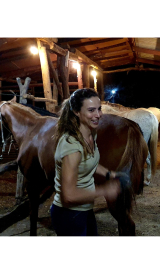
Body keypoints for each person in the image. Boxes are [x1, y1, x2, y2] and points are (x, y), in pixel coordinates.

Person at [51, 88, 121, 236]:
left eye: (99, 109)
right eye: (91, 110)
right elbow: (68, 196)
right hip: (69, 214)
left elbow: (89, 163)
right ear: (76, 112)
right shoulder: (72, 145)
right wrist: (104, 191)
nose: (98, 115)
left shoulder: (90, 134)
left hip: (84, 209)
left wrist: (109, 174)